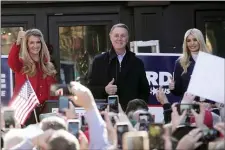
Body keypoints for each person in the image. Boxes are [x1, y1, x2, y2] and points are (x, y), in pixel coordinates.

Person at [87, 23, 150, 111]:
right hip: (107, 113)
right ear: (110, 37)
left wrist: (138, 110)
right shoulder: (99, 61)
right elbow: (90, 89)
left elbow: (145, 91)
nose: (119, 39)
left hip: (131, 114)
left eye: (123, 36)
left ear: (127, 38)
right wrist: (105, 90)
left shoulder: (137, 63)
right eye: (116, 35)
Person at [8, 28, 57, 126]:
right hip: (26, 114)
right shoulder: (21, 65)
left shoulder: (48, 66)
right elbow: (11, 60)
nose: (35, 45)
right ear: (27, 45)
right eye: (31, 43)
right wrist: (18, 43)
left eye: (38, 42)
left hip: (45, 114)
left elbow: (54, 93)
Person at [169, 28, 211, 98]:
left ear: (200, 41)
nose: (192, 43)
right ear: (186, 43)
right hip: (188, 106)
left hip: (207, 105)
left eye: (195, 40)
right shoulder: (180, 62)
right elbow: (178, 92)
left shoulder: (210, 61)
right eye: (188, 41)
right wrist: (172, 88)